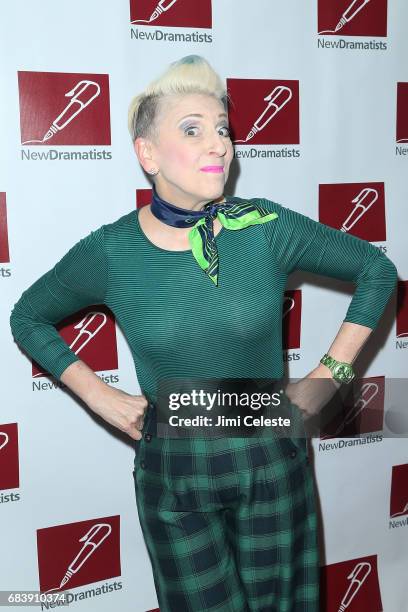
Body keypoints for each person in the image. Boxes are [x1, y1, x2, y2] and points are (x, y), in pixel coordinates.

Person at [9, 55, 397, 611]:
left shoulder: (265, 227)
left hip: (271, 458)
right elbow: (28, 316)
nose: (219, 144)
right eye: (192, 129)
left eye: (222, 129)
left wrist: (331, 372)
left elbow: (376, 271)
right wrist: (99, 395)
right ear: (147, 153)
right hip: (174, 472)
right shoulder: (111, 252)